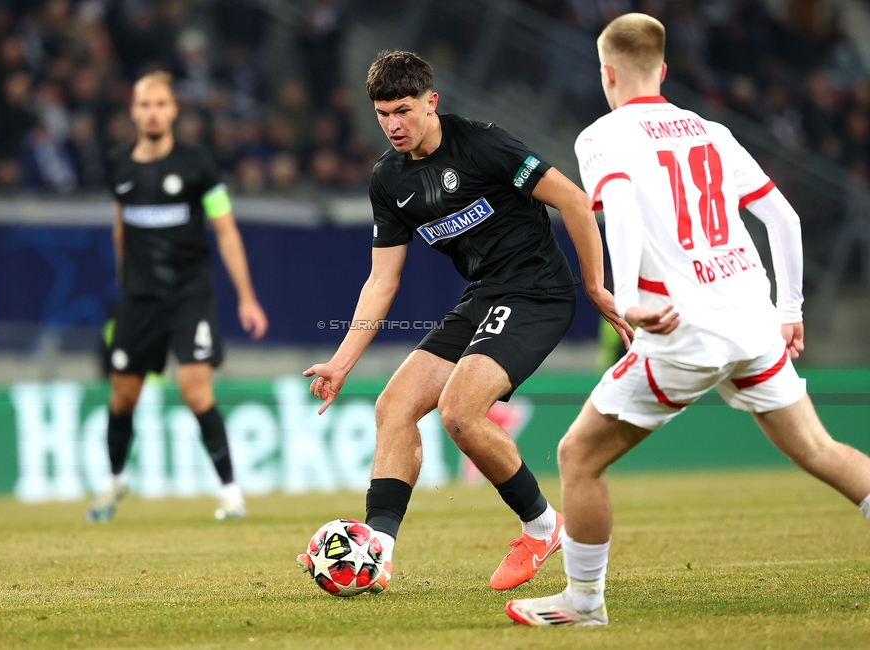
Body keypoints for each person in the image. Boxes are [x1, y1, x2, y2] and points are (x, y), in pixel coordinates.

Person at [505, 13, 870, 628]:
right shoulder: (713, 131)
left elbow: (616, 202)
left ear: (606, 72)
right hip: (752, 320)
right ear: (665, 70)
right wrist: (790, 312)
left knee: (577, 457)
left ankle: (583, 603)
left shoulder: (601, 135)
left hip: (684, 328)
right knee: (819, 449)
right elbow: (784, 219)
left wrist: (625, 299)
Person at [297, 51, 631, 593]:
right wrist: (341, 361)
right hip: (485, 296)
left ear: (432, 102)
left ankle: (543, 527)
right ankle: (377, 554)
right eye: (382, 115)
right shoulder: (387, 180)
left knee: (457, 412)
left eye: (403, 110)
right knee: (394, 408)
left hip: (538, 292)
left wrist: (594, 285)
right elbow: (381, 281)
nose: (393, 125)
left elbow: (573, 200)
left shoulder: (482, 144)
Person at [86, 71, 268, 524]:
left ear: (173, 110)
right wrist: (125, 280)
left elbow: (225, 230)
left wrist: (247, 297)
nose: (152, 112)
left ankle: (231, 492)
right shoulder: (117, 164)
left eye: (160, 104)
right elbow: (119, 223)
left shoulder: (199, 166)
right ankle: (114, 481)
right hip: (140, 297)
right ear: (133, 111)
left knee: (194, 388)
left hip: (189, 293)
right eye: (144, 104)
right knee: (122, 395)